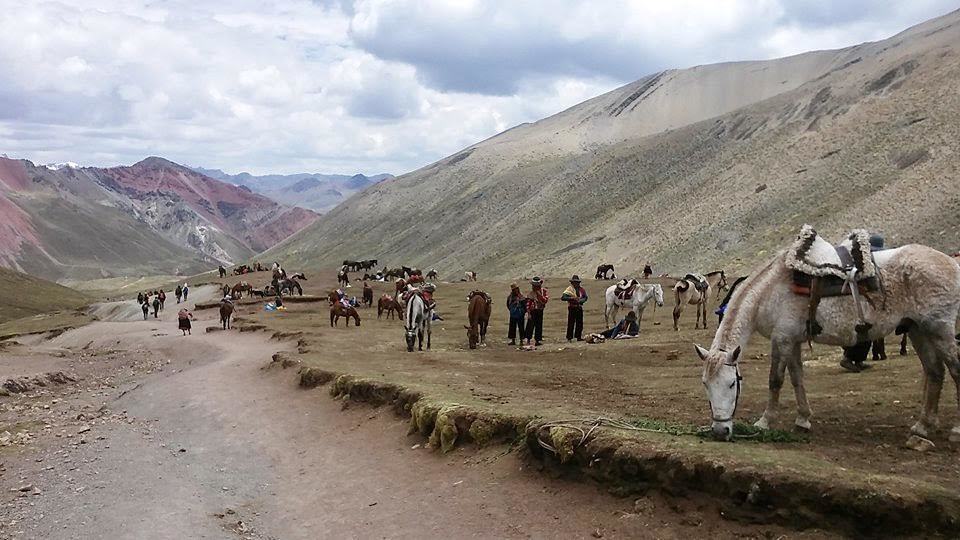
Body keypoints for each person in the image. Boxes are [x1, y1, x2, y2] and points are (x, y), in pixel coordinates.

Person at [561, 275, 588, 342]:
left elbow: (585, 297)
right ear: (572, 283)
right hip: (572, 307)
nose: (576, 284)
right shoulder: (569, 289)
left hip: (579, 307)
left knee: (580, 323)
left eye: (577, 282)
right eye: (575, 282)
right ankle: (569, 337)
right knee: (571, 322)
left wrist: (581, 301)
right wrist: (571, 298)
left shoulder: (581, 289)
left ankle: (578, 336)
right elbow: (563, 298)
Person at [525, 277, 549, 346]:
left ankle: (537, 340)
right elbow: (528, 304)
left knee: (539, 325)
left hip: (540, 310)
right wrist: (528, 313)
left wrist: (539, 294)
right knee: (530, 325)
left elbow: (545, 301)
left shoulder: (543, 292)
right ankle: (528, 339)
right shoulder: (531, 294)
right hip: (533, 311)